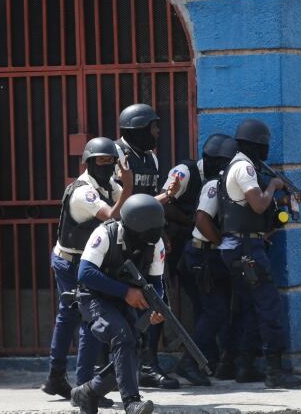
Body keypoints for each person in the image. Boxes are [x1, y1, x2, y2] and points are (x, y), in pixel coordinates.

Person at [41, 137, 132, 406]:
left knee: (74, 317)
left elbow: (129, 208)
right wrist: (127, 185)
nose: (106, 165)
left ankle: (59, 379)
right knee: (84, 318)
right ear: (89, 163)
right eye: (101, 161)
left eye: (110, 160)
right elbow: (113, 216)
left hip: (87, 261)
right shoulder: (84, 191)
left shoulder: (109, 185)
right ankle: (81, 389)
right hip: (71, 262)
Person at [217, 119, 301, 388]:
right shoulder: (244, 168)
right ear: (258, 145)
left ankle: (244, 366)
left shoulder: (237, 165)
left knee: (249, 308)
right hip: (246, 249)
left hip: (239, 246)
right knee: (269, 307)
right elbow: (257, 205)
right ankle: (275, 372)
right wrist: (274, 186)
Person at [70, 194, 167, 414]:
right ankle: (131, 402)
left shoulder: (155, 243)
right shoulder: (106, 233)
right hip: (93, 298)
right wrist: (125, 292)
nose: (155, 236)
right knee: (122, 335)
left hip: (124, 300)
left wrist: (155, 308)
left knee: (132, 345)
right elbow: (85, 273)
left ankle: (88, 392)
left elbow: (155, 283)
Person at [114, 103, 178, 389]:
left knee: (156, 300)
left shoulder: (150, 159)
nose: (157, 132)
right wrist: (167, 196)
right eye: (153, 127)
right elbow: (122, 204)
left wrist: (161, 230)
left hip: (149, 242)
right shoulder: (116, 155)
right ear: (138, 129)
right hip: (122, 244)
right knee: (119, 305)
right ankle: (116, 368)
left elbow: (149, 201)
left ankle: (149, 364)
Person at [174, 136, 239, 386]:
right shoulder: (214, 184)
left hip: (209, 257)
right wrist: (223, 243)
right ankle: (189, 362)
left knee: (214, 312)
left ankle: (207, 360)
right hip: (201, 256)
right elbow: (202, 218)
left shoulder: (224, 182)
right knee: (215, 311)